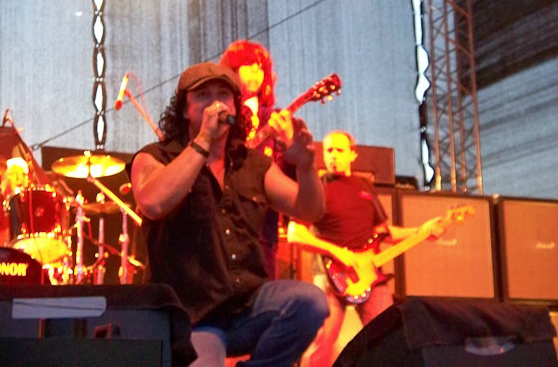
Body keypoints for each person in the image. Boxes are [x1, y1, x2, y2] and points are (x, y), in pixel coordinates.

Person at [129, 62, 329, 367]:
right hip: (192, 315)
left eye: (223, 95)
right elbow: (153, 203)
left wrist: (305, 166)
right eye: (203, 96)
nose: (216, 104)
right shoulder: (155, 156)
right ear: (185, 110)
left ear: (235, 107)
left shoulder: (252, 163)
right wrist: (203, 141)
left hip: (247, 306)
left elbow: (310, 210)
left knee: (310, 302)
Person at [288, 130, 446, 367]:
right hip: (331, 276)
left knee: (388, 337)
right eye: (329, 150)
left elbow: (384, 232)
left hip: (370, 274)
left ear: (353, 155)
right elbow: (295, 233)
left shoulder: (365, 186)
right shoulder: (317, 187)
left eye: (339, 150)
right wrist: (335, 251)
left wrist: (422, 230)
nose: (333, 155)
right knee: (320, 341)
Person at [220, 40, 294, 280]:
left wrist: (290, 148)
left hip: (262, 233)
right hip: (219, 230)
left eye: (261, 67)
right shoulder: (217, 116)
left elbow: (288, 182)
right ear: (231, 70)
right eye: (248, 64)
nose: (255, 71)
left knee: (262, 294)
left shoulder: (276, 120)